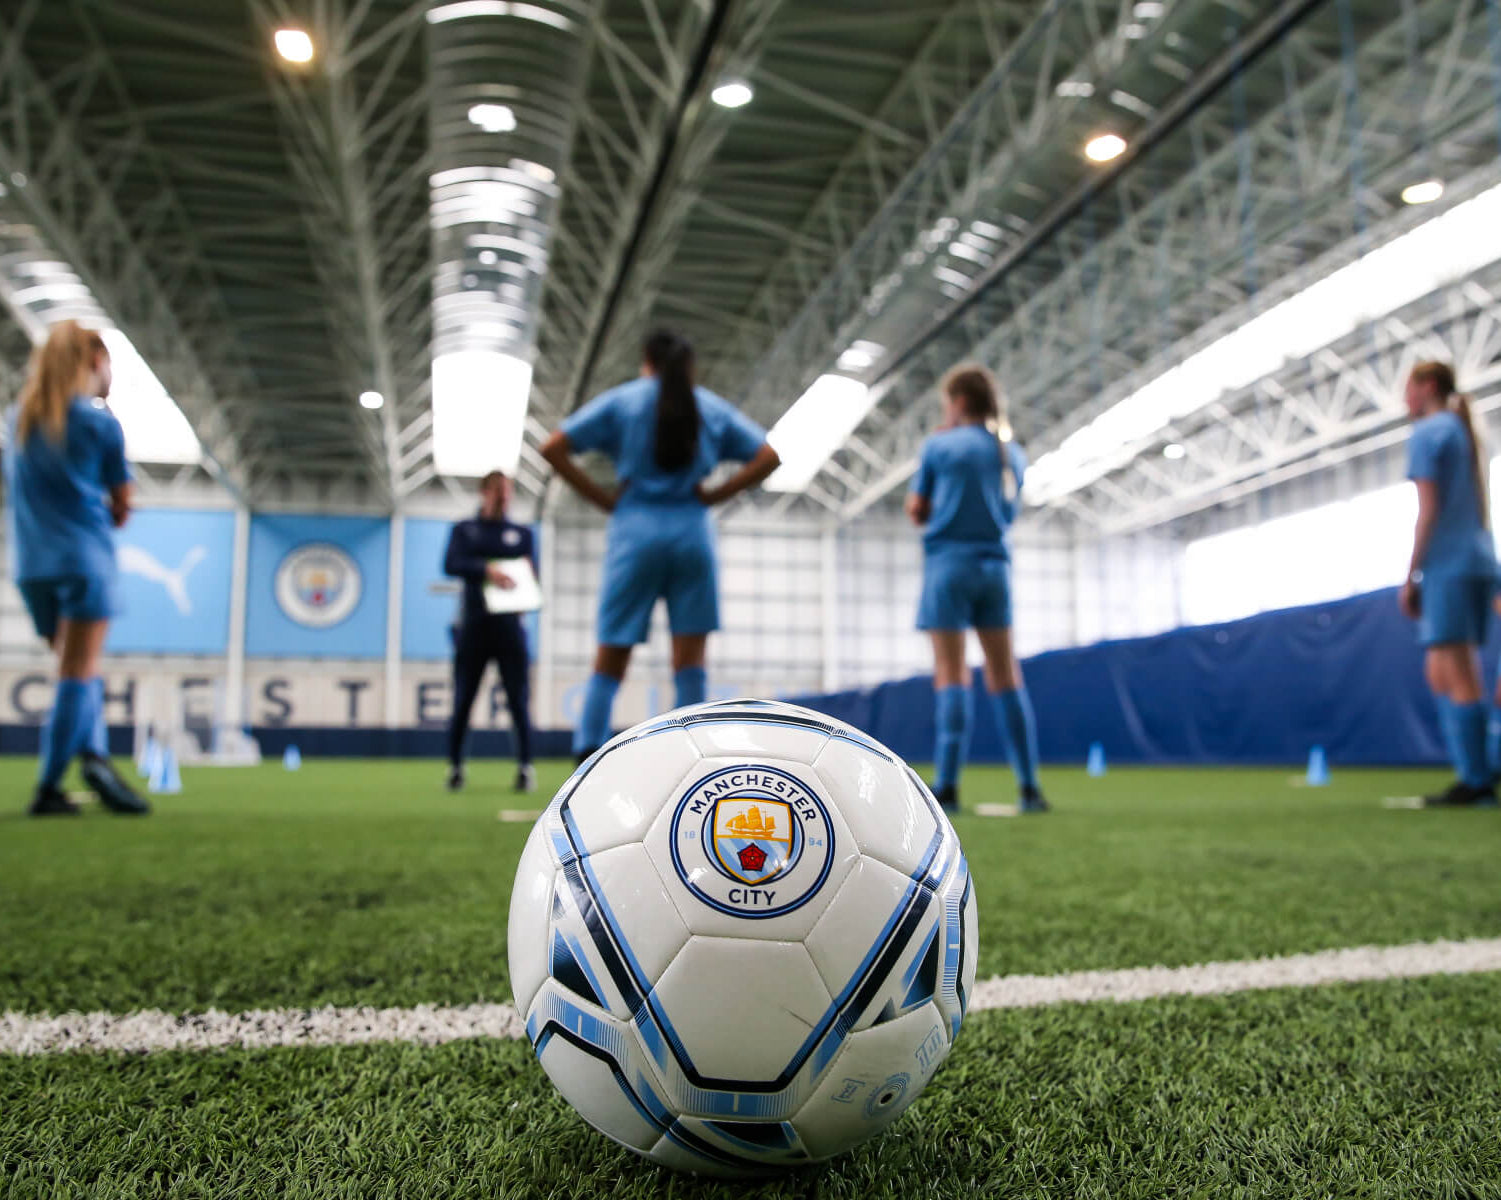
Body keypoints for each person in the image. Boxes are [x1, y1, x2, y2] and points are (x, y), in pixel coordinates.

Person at [540, 329, 780, 760]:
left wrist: (602, 498)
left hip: (634, 528)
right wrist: (715, 495)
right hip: (692, 530)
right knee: (689, 658)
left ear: (646, 362)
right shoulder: (709, 405)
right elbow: (768, 457)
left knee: (612, 651)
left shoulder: (623, 400)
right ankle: (693, 754)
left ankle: (587, 749)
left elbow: (553, 447)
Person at [4, 320, 148, 816]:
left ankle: (95, 757)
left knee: (74, 671)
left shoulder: (18, 421)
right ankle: (49, 788)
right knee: (78, 672)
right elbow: (122, 505)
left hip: (31, 566)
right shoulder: (98, 423)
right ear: (93, 362)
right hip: (85, 560)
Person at [907, 363, 1047, 815]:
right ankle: (1029, 787)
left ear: (959, 402)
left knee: (951, 673)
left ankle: (947, 785)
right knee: (1005, 676)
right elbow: (1008, 510)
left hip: (948, 566)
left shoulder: (940, 446)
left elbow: (917, 510)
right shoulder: (1012, 453)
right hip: (994, 569)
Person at [1398, 361, 1498, 807]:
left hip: (1448, 565)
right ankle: (1475, 770)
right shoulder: (1461, 431)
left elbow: (1428, 510)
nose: (1405, 399)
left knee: (1457, 674)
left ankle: (1476, 781)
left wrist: (1412, 573)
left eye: (1409, 389)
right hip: (1478, 560)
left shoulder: (1428, 433)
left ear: (1427, 387)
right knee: (1442, 672)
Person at [442, 470, 537, 792]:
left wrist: (527, 589)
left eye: (508, 491)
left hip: (510, 628)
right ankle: (455, 767)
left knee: (518, 701)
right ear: (484, 492)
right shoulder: (464, 531)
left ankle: (525, 767)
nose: (503, 497)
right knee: (463, 699)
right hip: (474, 628)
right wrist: (486, 570)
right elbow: (451, 564)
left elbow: (529, 571)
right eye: (498, 491)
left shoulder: (521, 533)